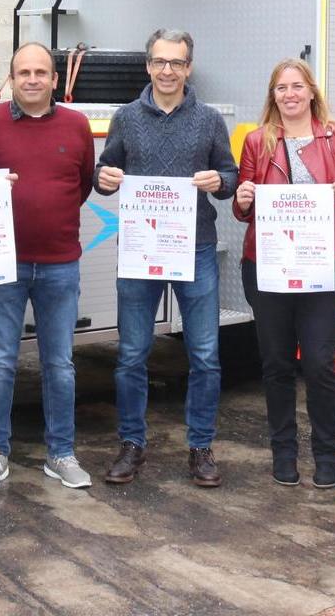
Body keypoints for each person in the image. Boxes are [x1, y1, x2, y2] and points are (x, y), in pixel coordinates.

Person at [95, 28, 238, 487]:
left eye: (177, 63)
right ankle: (132, 443)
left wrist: (221, 181)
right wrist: (107, 178)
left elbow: (232, 176)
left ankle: (200, 447)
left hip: (194, 249)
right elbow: (102, 172)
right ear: (148, 65)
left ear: (189, 67)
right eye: (160, 61)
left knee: (205, 355)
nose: (168, 70)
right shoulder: (126, 117)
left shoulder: (210, 120)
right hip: (140, 250)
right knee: (132, 355)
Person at [233, 59, 335, 489]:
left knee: (318, 363)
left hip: (322, 269)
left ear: (311, 92)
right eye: (281, 88)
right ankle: (284, 451)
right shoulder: (257, 141)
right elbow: (243, 212)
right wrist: (242, 197)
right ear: (272, 95)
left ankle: (326, 454)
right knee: (275, 364)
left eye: (297, 86)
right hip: (267, 268)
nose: (290, 94)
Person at [0, 43, 95, 492]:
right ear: (11, 78)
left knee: (59, 363)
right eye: (23, 72)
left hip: (60, 264)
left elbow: (80, 185)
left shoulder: (76, 125)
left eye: (41, 72)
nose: (32, 79)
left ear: (54, 79)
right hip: (2, 264)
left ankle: (60, 453)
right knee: (0, 360)